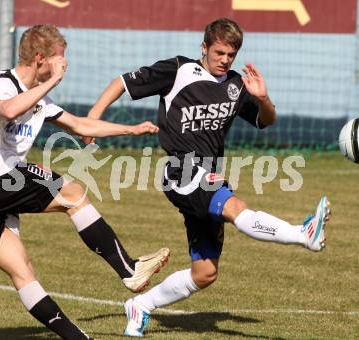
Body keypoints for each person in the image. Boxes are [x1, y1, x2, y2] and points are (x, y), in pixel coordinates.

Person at [85, 17, 331, 337]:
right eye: (219, 53)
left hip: (210, 174)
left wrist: (262, 97)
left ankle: (141, 305)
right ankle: (303, 233)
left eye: (231, 55)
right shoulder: (178, 70)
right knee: (234, 206)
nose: (225, 60)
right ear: (204, 47)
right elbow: (123, 82)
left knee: (205, 273)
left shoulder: (235, 85)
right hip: (182, 171)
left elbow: (266, 121)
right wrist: (93, 117)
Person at [0, 24, 170, 340]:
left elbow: (78, 124)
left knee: (23, 271)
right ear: (39, 58)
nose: (65, 64)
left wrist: (129, 130)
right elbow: (8, 110)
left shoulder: (37, 98)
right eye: (60, 59)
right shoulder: (1, 84)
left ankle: (78, 338)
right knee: (72, 193)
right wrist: (54, 80)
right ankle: (129, 271)